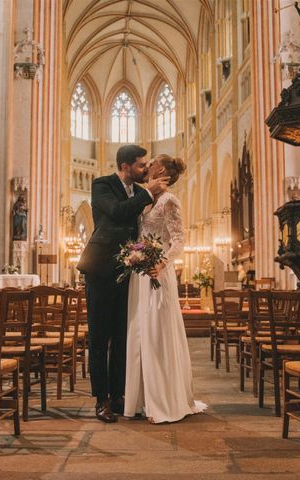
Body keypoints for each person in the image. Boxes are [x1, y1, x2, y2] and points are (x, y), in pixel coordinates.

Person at [77, 145, 169, 423]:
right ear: (126, 166)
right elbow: (116, 212)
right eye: (141, 165)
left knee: (121, 337)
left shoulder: (140, 193)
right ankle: (101, 400)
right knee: (99, 337)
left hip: (127, 272)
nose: (145, 169)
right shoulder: (101, 185)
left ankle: (117, 396)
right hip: (99, 269)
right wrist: (149, 193)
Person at [124, 154, 207, 423]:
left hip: (158, 273)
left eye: (152, 164)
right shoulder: (148, 200)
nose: (147, 167)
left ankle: (164, 399)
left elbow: (179, 240)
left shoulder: (170, 200)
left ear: (161, 170)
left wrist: (160, 264)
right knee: (140, 332)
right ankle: (143, 398)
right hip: (141, 275)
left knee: (157, 333)